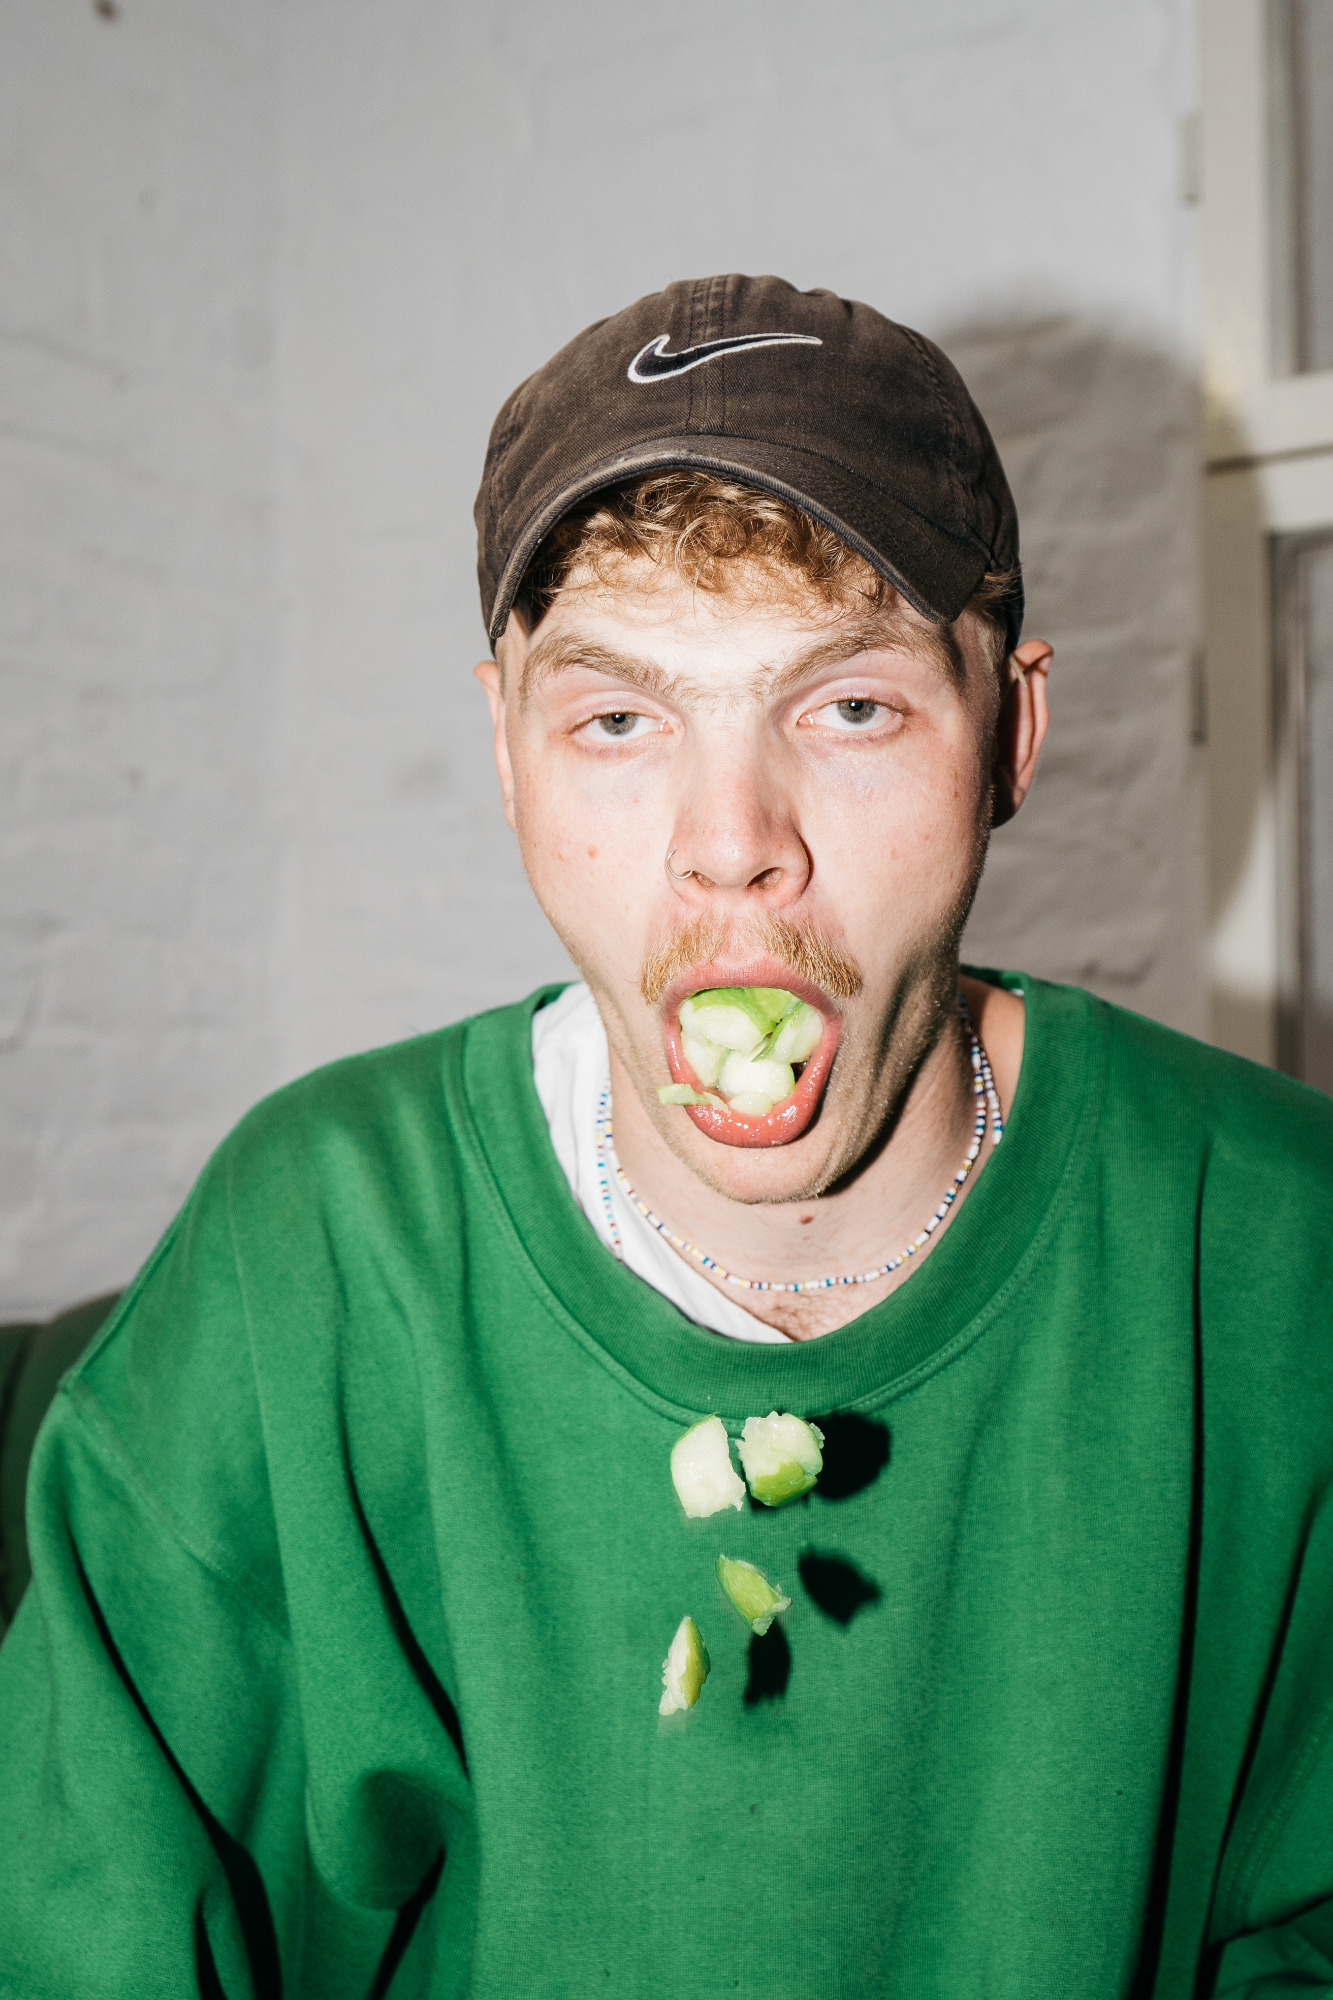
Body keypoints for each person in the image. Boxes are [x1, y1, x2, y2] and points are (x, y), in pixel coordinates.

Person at [0, 274, 1330, 2000]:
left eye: (848, 707)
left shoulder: (1281, 1246)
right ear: (508, 753)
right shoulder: (311, 1243)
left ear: (1008, 732)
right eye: (617, 721)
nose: (730, 844)